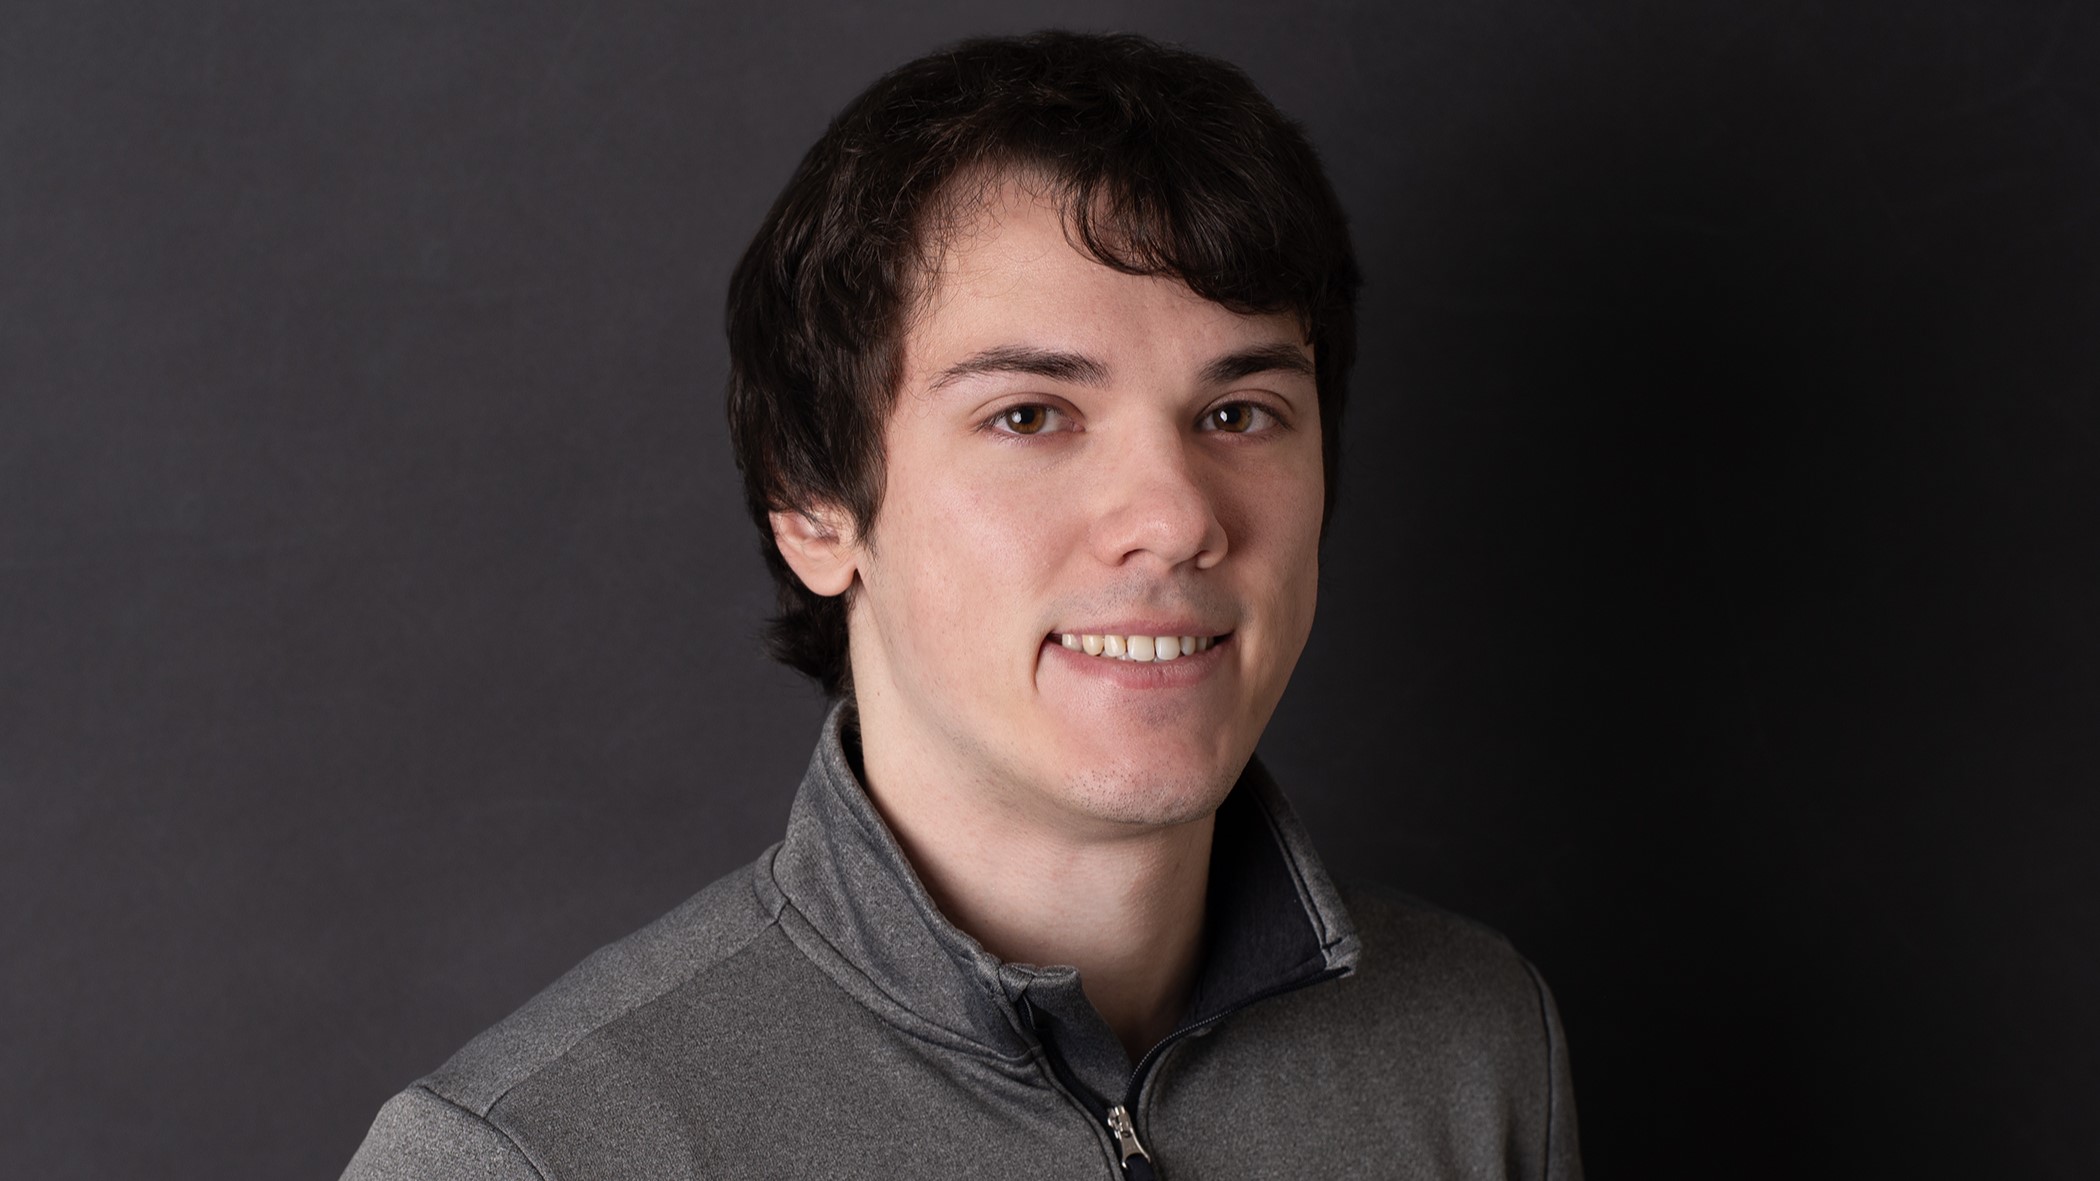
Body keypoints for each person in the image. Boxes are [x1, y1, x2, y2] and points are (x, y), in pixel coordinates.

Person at [343, 30, 1580, 1179]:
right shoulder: (533, 1156)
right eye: (1030, 416)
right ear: (813, 504)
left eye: (1238, 413)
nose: (1177, 515)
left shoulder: (1473, 1045)